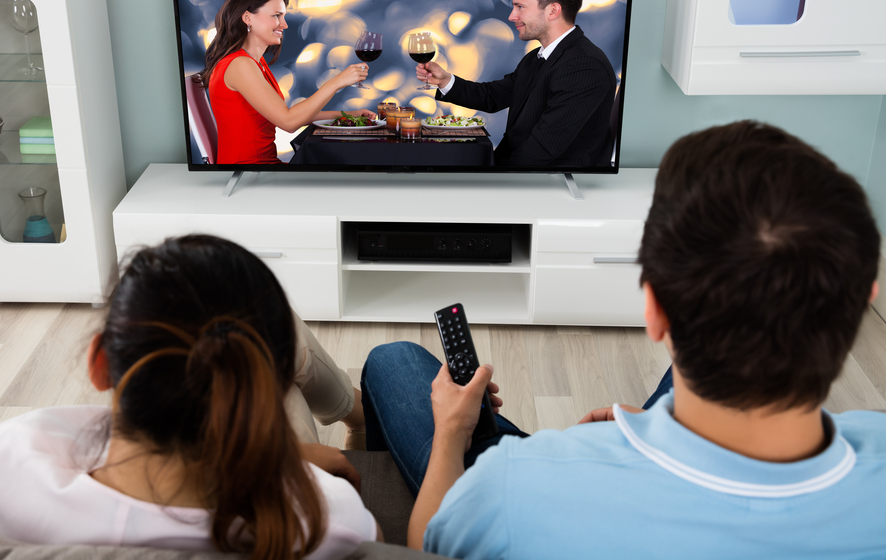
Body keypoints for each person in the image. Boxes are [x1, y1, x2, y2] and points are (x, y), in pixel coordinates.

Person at [362, 120, 886, 558]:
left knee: (393, 360)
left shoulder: (512, 485)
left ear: (654, 312)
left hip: (544, 490)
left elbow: (429, 545)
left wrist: (452, 432)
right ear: (864, 297)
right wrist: (650, 431)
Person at [0, 235, 381, 559]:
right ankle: (354, 413)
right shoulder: (328, 519)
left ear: (99, 364)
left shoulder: (4, 463)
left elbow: (67, 435)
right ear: (256, 390)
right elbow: (378, 544)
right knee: (276, 335)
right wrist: (289, 459)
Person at [416, 0, 617, 167]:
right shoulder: (537, 57)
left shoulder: (584, 65)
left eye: (520, 7)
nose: (512, 16)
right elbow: (493, 96)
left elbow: (543, 149)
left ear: (553, 11)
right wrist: (445, 81)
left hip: (547, 185)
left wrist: (490, 176)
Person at [199, 0, 374, 164]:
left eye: (283, 16)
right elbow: (289, 122)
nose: (284, 25)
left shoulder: (254, 63)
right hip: (252, 170)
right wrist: (336, 82)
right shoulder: (239, 64)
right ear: (247, 18)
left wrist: (348, 115)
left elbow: (290, 115)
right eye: (276, 16)